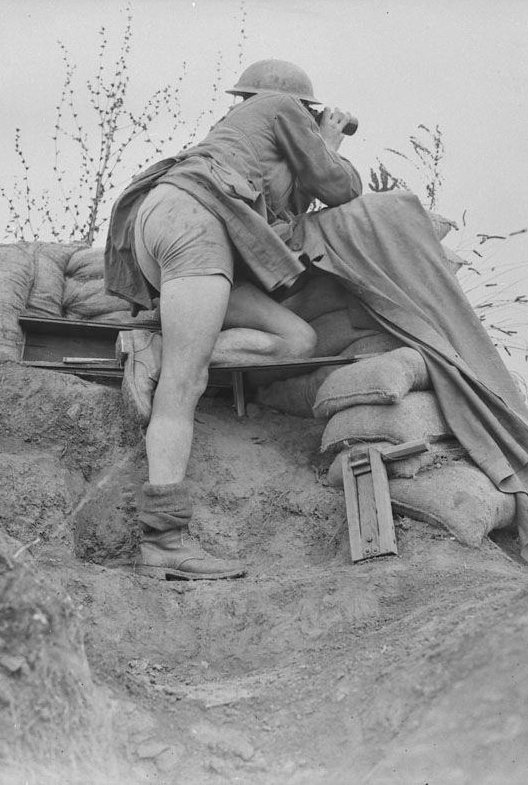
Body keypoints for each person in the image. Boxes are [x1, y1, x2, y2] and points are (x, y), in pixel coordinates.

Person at [104, 59, 364, 580]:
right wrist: (329, 139)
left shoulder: (240, 140)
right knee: (185, 382)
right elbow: (342, 187)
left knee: (296, 339)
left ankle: (160, 349)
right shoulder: (283, 108)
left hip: (168, 220)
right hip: (194, 223)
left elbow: (280, 221)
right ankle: (163, 542)